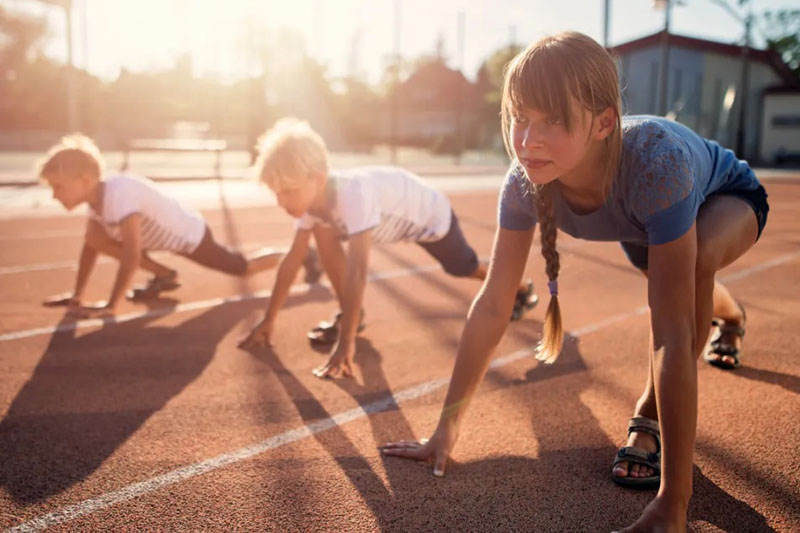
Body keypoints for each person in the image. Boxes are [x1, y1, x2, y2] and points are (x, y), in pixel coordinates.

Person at [380, 31, 768, 533]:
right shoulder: (524, 180)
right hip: (642, 222)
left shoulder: (657, 165)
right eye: (521, 117)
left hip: (726, 198)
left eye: (554, 120)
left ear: (605, 121)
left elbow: (671, 336)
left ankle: (648, 413)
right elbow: (495, 303)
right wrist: (445, 429)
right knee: (674, 276)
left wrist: (674, 503)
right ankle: (731, 315)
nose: (528, 139)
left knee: (690, 275)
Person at [239, 118, 538, 378]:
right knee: (322, 233)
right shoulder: (310, 205)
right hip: (395, 217)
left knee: (462, 268)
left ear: (318, 179)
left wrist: (346, 343)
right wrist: (269, 319)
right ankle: (352, 314)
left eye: (288, 192)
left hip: (430, 217)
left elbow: (357, 272)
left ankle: (519, 288)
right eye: (277, 194)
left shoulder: (352, 195)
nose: (283, 203)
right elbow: (292, 260)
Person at [39, 133, 289, 318]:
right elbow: (90, 248)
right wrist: (77, 296)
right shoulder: (95, 202)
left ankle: (298, 256)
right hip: (159, 241)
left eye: (58, 187)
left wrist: (111, 305)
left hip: (190, 236)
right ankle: (164, 275)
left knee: (242, 268)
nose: (54, 195)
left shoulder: (120, 195)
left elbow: (131, 253)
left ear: (85, 181)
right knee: (94, 238)